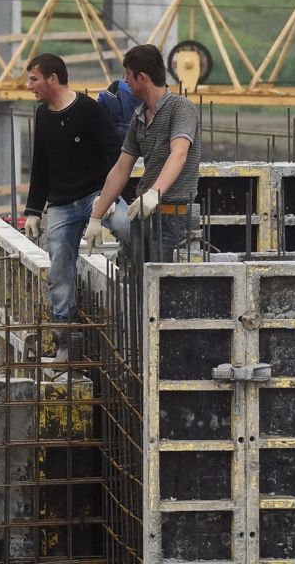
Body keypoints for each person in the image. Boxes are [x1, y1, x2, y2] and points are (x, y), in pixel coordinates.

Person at [19, 53, 123, 353]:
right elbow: (41, 164)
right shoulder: (42, 115)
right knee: (59, 272)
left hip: (95, 195)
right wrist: (34, 211)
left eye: (34, 79)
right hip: (62, 204)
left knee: (126, 225)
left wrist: (110, 195)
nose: (30, 86)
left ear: (53, 78)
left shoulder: (89, 110)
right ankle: (65, 339)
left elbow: (116, 153)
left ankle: (132, 262)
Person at [92, 43, 200, 262]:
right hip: (144, 215)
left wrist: (154, 193)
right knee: (141, 285)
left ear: (142, 77)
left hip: (173, 218)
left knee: (164, 287)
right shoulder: (139, 117)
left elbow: (178, 154)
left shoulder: (181, 108)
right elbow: (122, 168)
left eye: (128, 75)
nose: (125, 82)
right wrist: (97, 216)